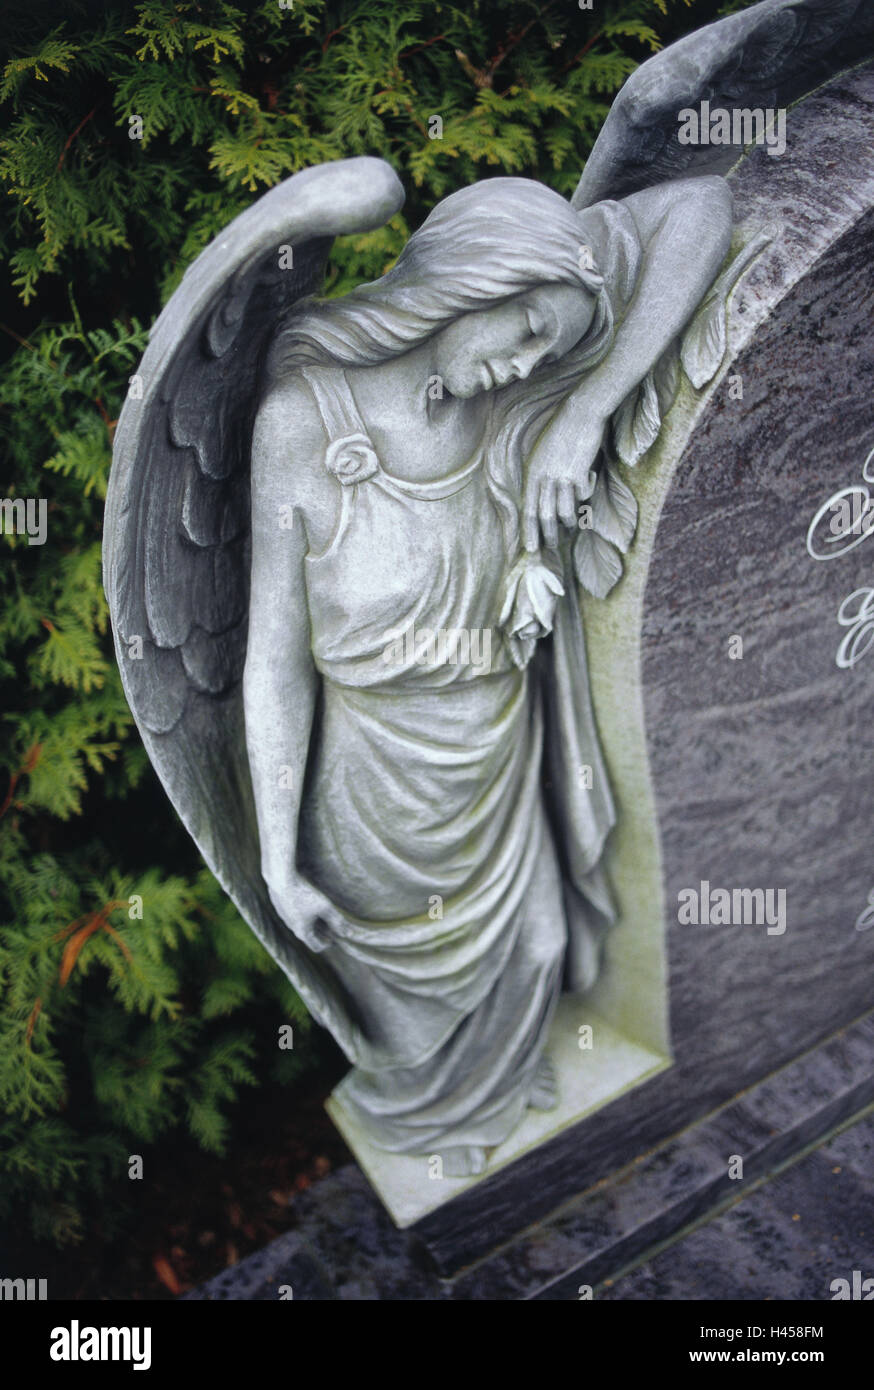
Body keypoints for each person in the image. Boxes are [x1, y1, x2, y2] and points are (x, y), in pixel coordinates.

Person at [243, 175, 732, 1173]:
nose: (522, 364)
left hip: (498, 759)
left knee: (542, 954)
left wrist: (586, 407)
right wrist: (277, 855)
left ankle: (498, 1105)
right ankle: (445, 1127)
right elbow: (274, 661)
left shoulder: (516, 407)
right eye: (519, 332)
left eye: (543, 352)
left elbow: (703, 210)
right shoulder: (301, 420)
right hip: (377, 786)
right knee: (419, 1033)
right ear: (464, 282)